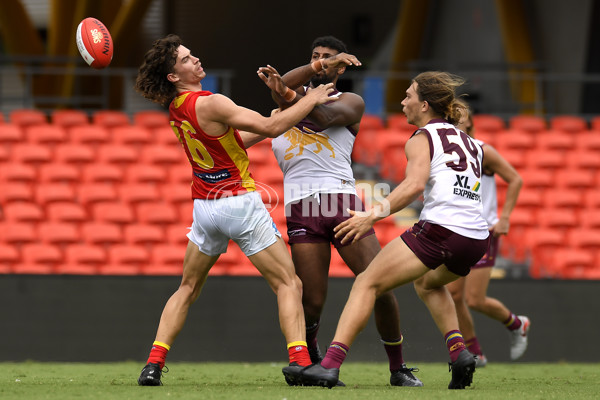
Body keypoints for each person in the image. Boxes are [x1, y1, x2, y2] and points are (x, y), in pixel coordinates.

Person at [133, 34, 336, 386]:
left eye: (192, 54)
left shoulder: (177, 108)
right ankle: (301, 362)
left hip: (204, 209)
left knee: (188, 287)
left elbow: (232, 143)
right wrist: (312, 97)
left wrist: (278, 116)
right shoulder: (211, 102)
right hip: (239, 203)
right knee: (289, 283)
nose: (195, 59)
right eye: (185, 59)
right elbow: (272, 127)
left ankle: (153, 363)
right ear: (173, 76)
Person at [295, 71, 492, 389]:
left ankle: (329, 366)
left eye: (408, 96)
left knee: (367, 283)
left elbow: (413, 185)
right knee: (428, 284)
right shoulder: (470, 142)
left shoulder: (421, 139)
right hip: (477, 238)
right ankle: (460, 354)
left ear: (425, 105)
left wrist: (370, 216)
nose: (403, 102)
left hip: (442, 230)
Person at [258, 35, 422, 387]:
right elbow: (281, 85)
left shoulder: (350, 101)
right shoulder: (285, 104)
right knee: (312, 300)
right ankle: (312, 360)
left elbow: (320, 117)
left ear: (342, 66)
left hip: (341, 203)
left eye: (329, 57)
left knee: (378, 285)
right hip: (300, 207)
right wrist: (301, 82)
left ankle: (398, 367)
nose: (322, 62)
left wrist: (291, 96)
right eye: (316, 57)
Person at [446, 100, 528, 367]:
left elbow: (515, 179)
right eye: (451, 115)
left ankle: (517, 324)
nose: (456, 119)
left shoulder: (482, 151)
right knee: (454, 295)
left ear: (470, 121)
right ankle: (476, 354)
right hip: (456, 229)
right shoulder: (444, 154)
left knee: (474, 299)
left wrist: (504, 218)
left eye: (461, 115)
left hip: (483, 231)